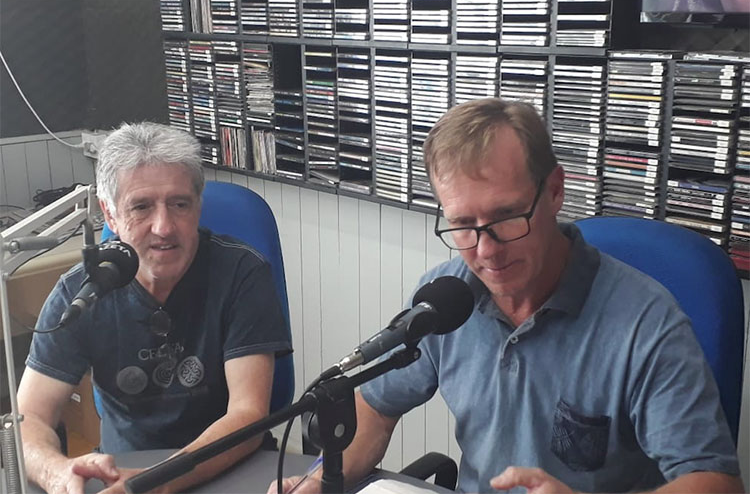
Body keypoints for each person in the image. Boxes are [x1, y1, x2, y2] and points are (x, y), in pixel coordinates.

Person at [272, 98, 744, 493]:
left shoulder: (647, 322)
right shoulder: (446, 300)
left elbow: (715, 482)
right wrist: (318, 482)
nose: (486, 250)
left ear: (554, 192)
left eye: (506, 217)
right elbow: (376, 408)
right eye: (462, 224)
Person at [18, 122, 292, 494]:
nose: (163, 227)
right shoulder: (81, 292)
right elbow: (29, 418)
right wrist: (57, 473)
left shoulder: (241, 273)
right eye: (141, 207)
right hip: (122, 472)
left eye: (179, 204)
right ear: (110, 215)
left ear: (198, 207)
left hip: (230, 468)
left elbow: (247, 415)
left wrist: (156, 483)